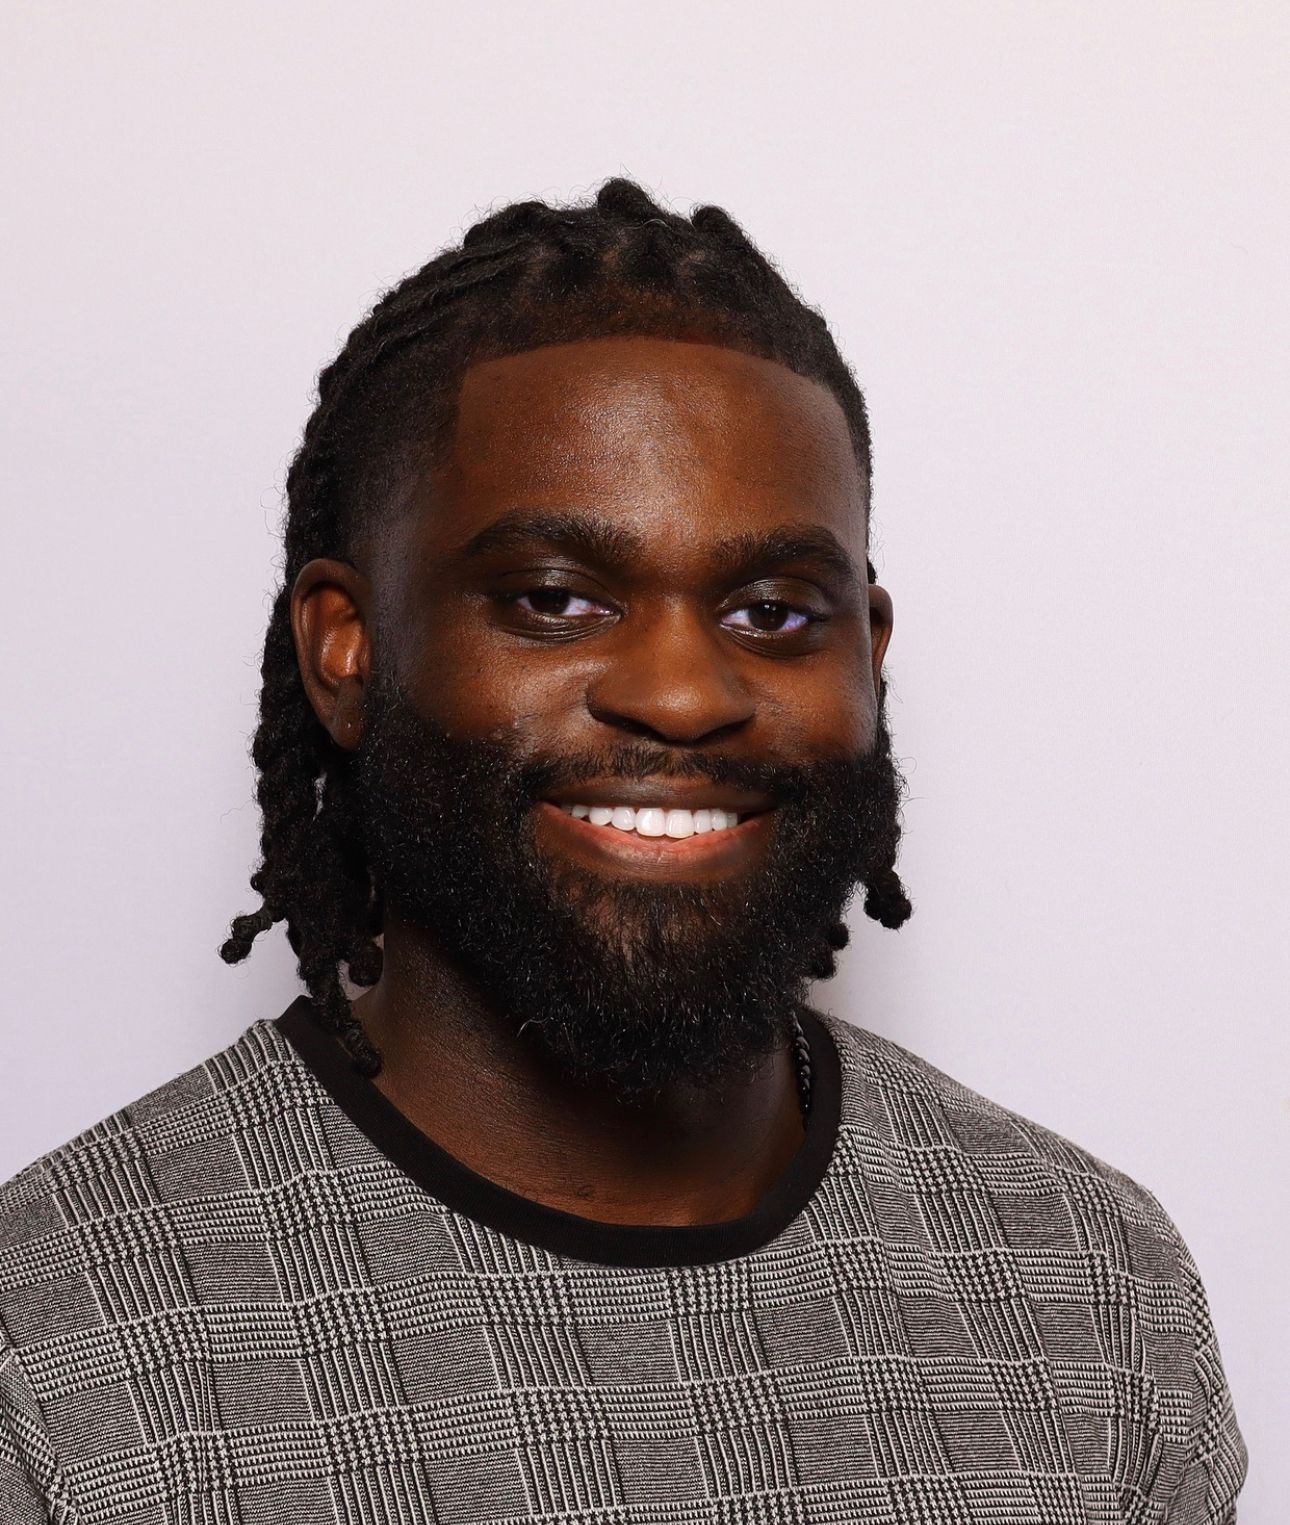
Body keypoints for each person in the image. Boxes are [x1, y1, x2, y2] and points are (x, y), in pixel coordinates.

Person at [0, 179, 1246, 1523]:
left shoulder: (1090, 1285)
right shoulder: (61, 1342)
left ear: (867, 657)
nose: (681, 688)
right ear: (346, 650)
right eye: (552, 598)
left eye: (772, 609)